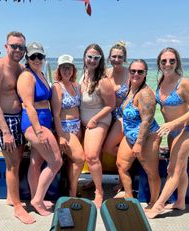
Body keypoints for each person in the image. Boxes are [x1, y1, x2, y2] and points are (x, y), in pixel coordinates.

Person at [146, 47, 189, 219]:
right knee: (181, 168)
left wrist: (173, 123)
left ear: (177, 62)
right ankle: (180, 202)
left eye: (172, 60)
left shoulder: (183, 83)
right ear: (159, 63)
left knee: (173, 169)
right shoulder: (161, 80)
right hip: (171, 132)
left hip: (187, 129)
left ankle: (159, 206)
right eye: (164, 61)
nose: (168, 64)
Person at [0, 31, 35, 224]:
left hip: (19, 117)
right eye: (14, 46)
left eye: (21, 47)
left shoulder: (21, 68)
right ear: (6, 46)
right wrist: (5, 131)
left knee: (18, 160)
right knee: (13, 164)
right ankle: (17, 207)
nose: (17, 50)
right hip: (4, 120)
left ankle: (10, 197)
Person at [17, 42, 63, 216]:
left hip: (44, 119)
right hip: (33, 122)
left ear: (44, 57)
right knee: (56, 161)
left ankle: (37, 197)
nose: (37, 59)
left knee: (36, 163)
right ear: (27, 58)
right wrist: (38, 131)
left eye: (40, 56)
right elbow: (28, 105)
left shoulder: (41, 73)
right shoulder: (27, 76)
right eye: (33, 56)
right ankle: (37, 200)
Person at [116, 59, 161, 205]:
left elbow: (146, 121)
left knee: (151, 171)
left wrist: (139, 144)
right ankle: (129, 197)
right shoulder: (130, 87)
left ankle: (154, 203)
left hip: (147, 137)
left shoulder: (145, 94)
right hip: (130, 136)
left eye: (140, 71)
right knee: (121, 165)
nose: (136, 74)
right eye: (133, 71)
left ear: (145, 73)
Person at [80, 43, 115, 208]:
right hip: (83, 121)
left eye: (96, 57)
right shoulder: (82, 75)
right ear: (85, 57)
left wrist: (94, 119)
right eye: (90, 57)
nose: (92, 60)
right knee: (95, 156)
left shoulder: (103, 81)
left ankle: (99, 192)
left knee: (92, 156)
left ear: (100, 60)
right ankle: (94, 182)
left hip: (99, 121)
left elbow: (111, 105)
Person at [51, 54, 84, 197]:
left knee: (71, 161)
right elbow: (56, 114)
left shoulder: (76, 85)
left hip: (77, 127)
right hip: (65, 128)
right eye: (63, 68)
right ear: (59, 69)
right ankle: (72, 191)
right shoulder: (57, 87)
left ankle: (71, 188)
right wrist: (60, 135)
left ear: (73, 69)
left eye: (69, 67)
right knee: (80, 159)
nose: (66, 71)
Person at [102, 41, 129, 193]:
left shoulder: (129, 73)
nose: (116, 59)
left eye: (120, 57)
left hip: (122, 116)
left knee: (108, 147)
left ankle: (125, 176)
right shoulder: (105, 72)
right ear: (109, 57)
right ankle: (96, 180)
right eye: (114, 56)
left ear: (124, 58)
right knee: (98, 148)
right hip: (106, 113)